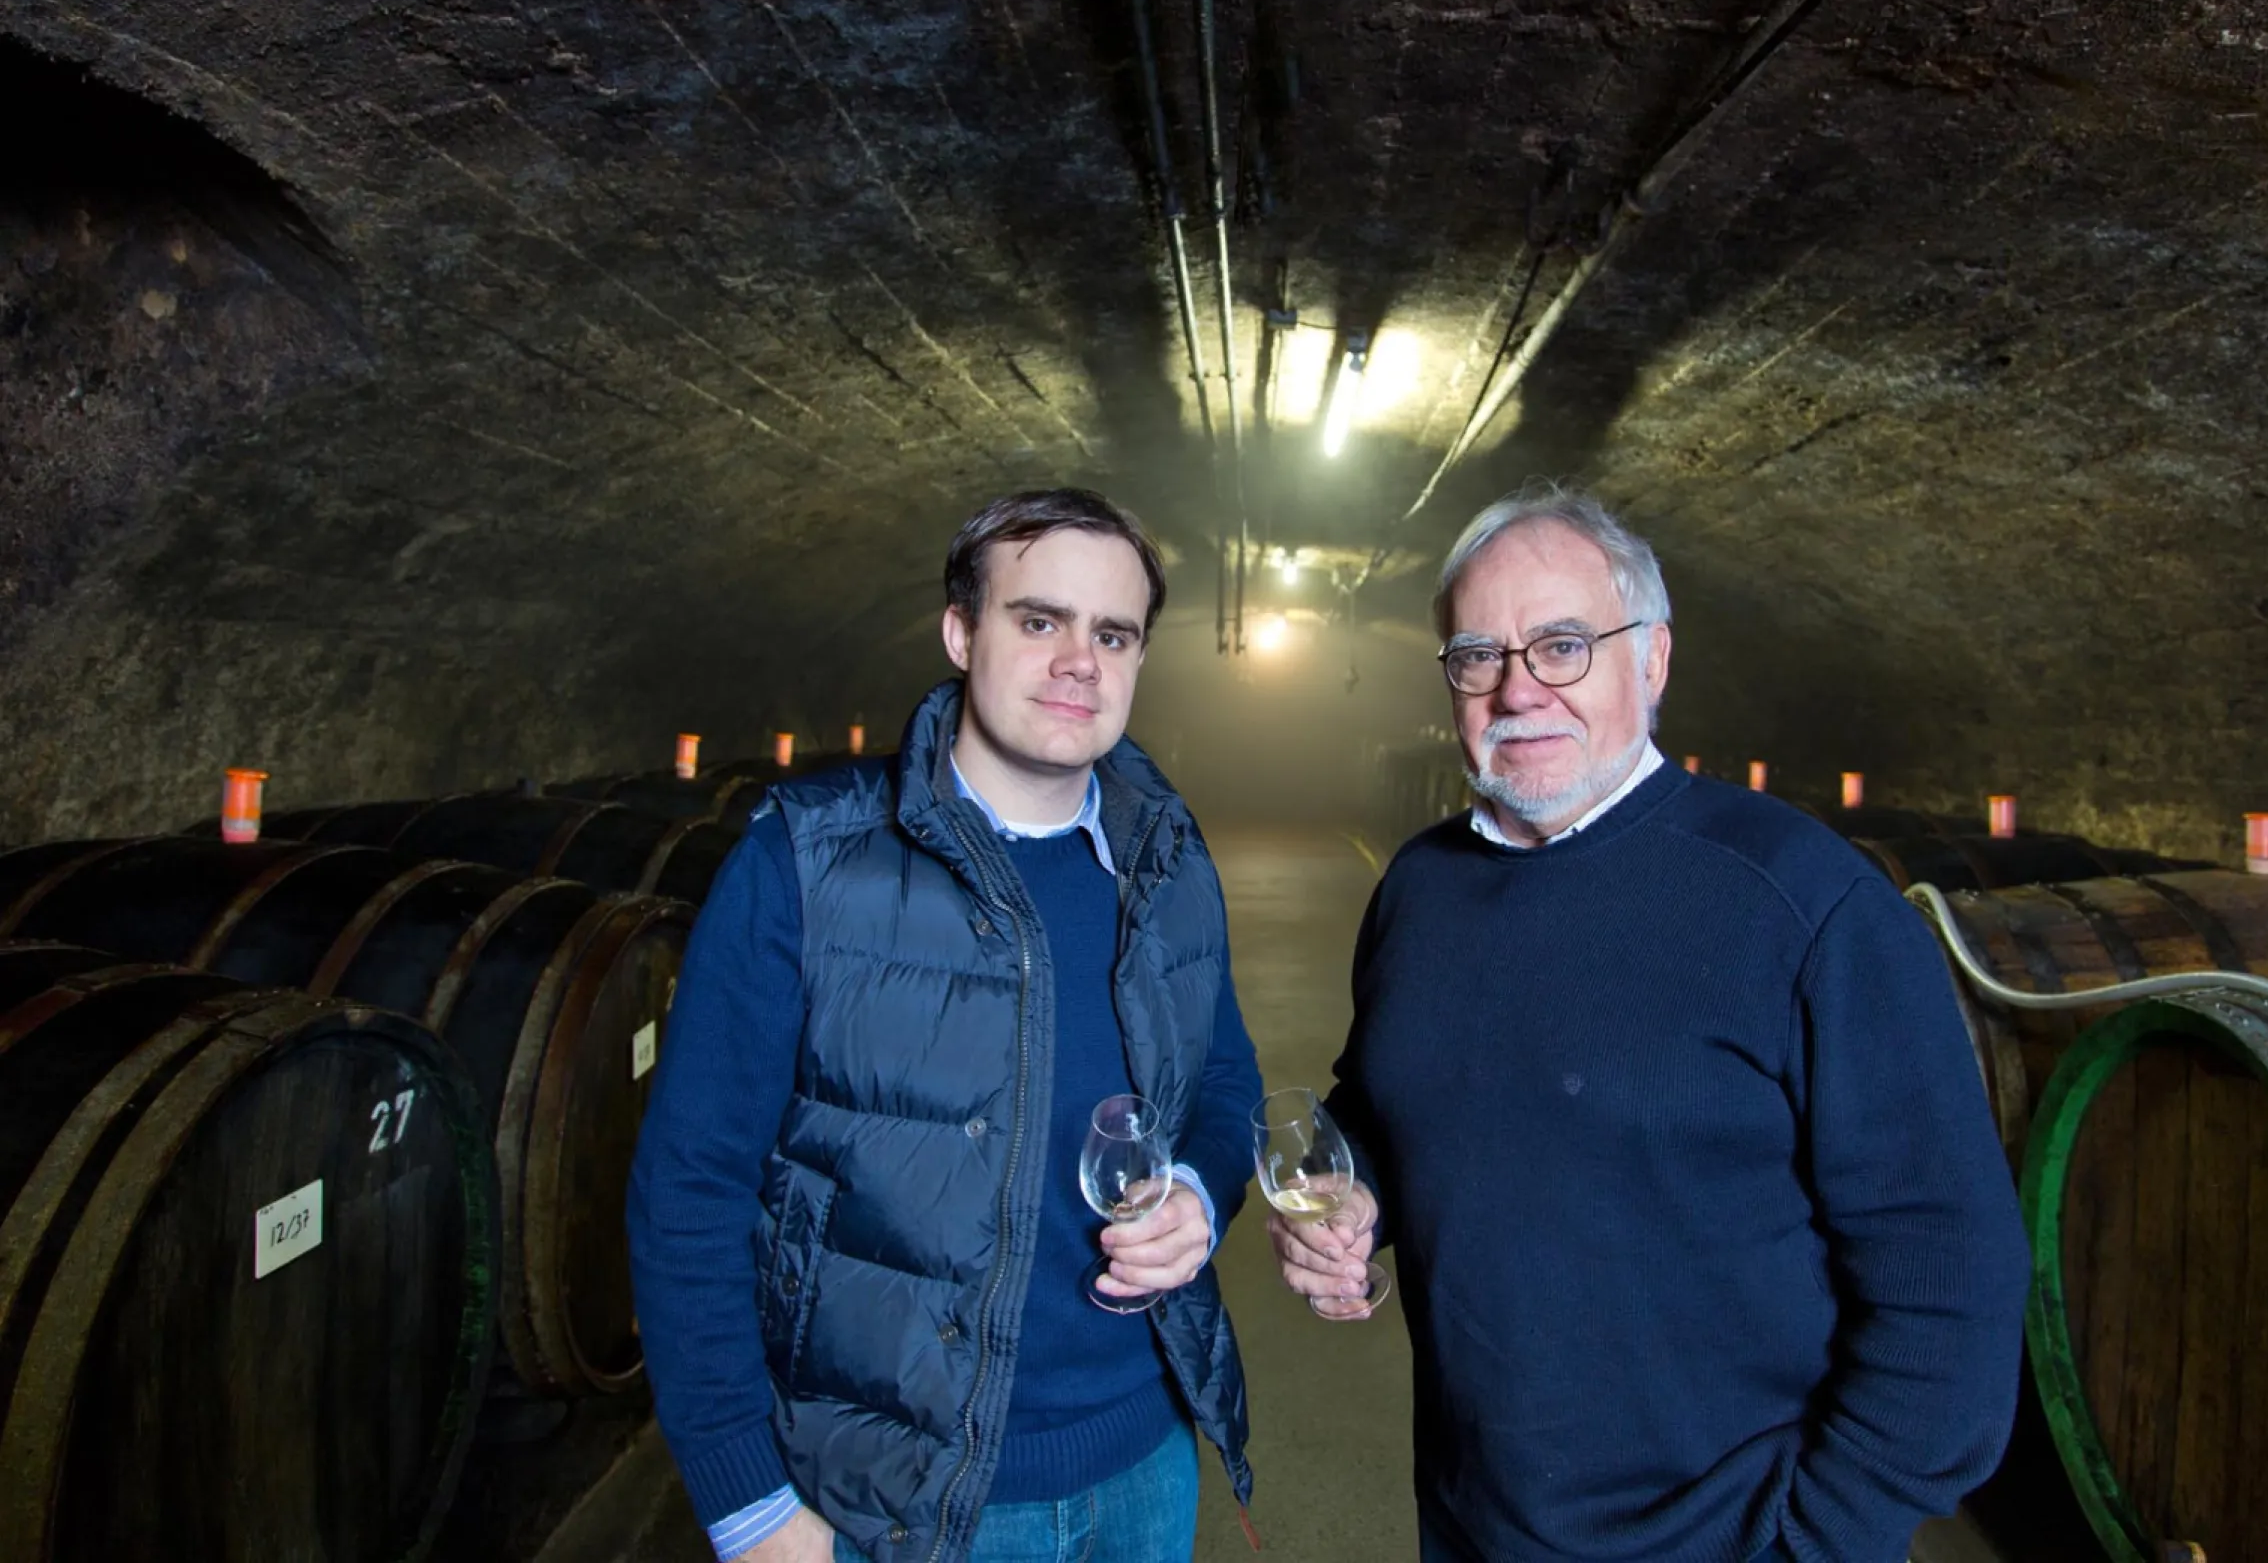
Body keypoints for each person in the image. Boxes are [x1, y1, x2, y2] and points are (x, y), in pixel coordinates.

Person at [1270, 479, 2030, 1562]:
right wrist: (1356, 1194)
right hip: (1470, 1519)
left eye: (1563, 646)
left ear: (1652, 659)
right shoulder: (1418, 886)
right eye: (1478, 654)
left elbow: (1951, 1271)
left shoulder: (1800, 903)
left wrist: (1817, 1537)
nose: (1516, 689)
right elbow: (1384, 1095)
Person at [629, 488, 1264, 1563]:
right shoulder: (805, 862)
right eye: (1037, 620)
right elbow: (689, 1189)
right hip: (903, 1503)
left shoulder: (1165, 856)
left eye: (1112, 634)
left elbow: (1225, 1082)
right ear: (961, 632)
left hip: (1144, 1466)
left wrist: (1199, 1191)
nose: (1079, 661)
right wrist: (747, 1506)